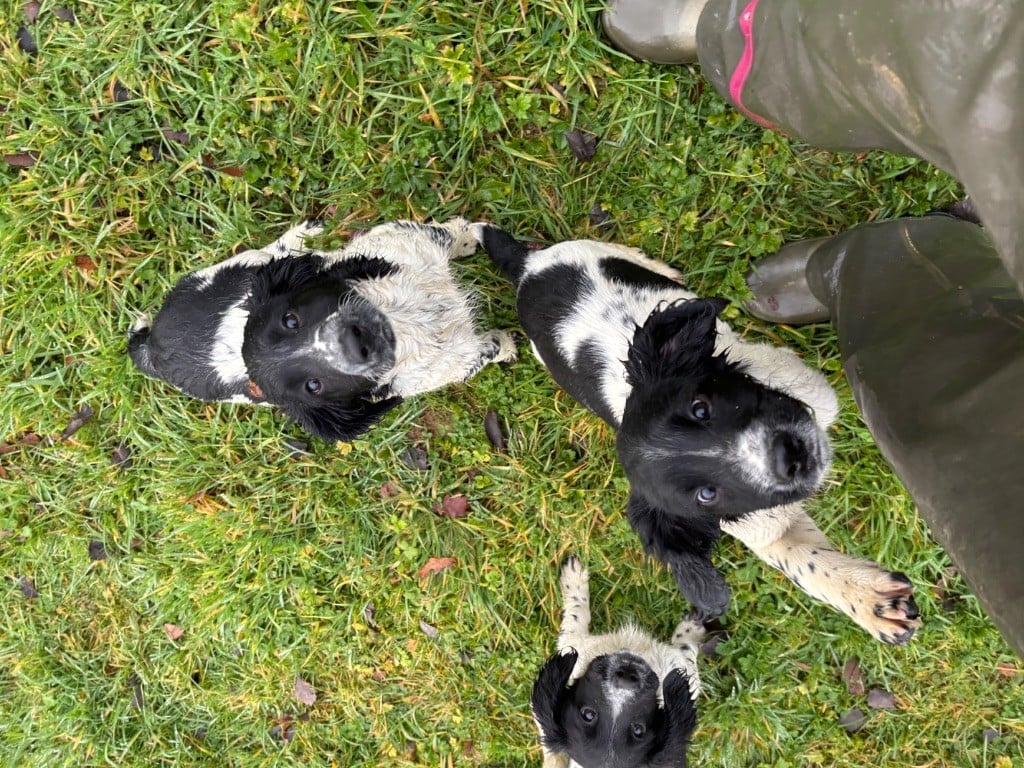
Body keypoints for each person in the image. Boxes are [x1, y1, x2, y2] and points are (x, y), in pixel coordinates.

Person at [601, 0, 1024, 657]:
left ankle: (745, 31)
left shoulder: (661, 364)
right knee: (962, 414)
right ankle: (891, 264)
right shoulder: (691, 498)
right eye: (708, 492)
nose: (758, 458)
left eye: (701, 408)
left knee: (984, 47)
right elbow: (771, 536)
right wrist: (841, 584)